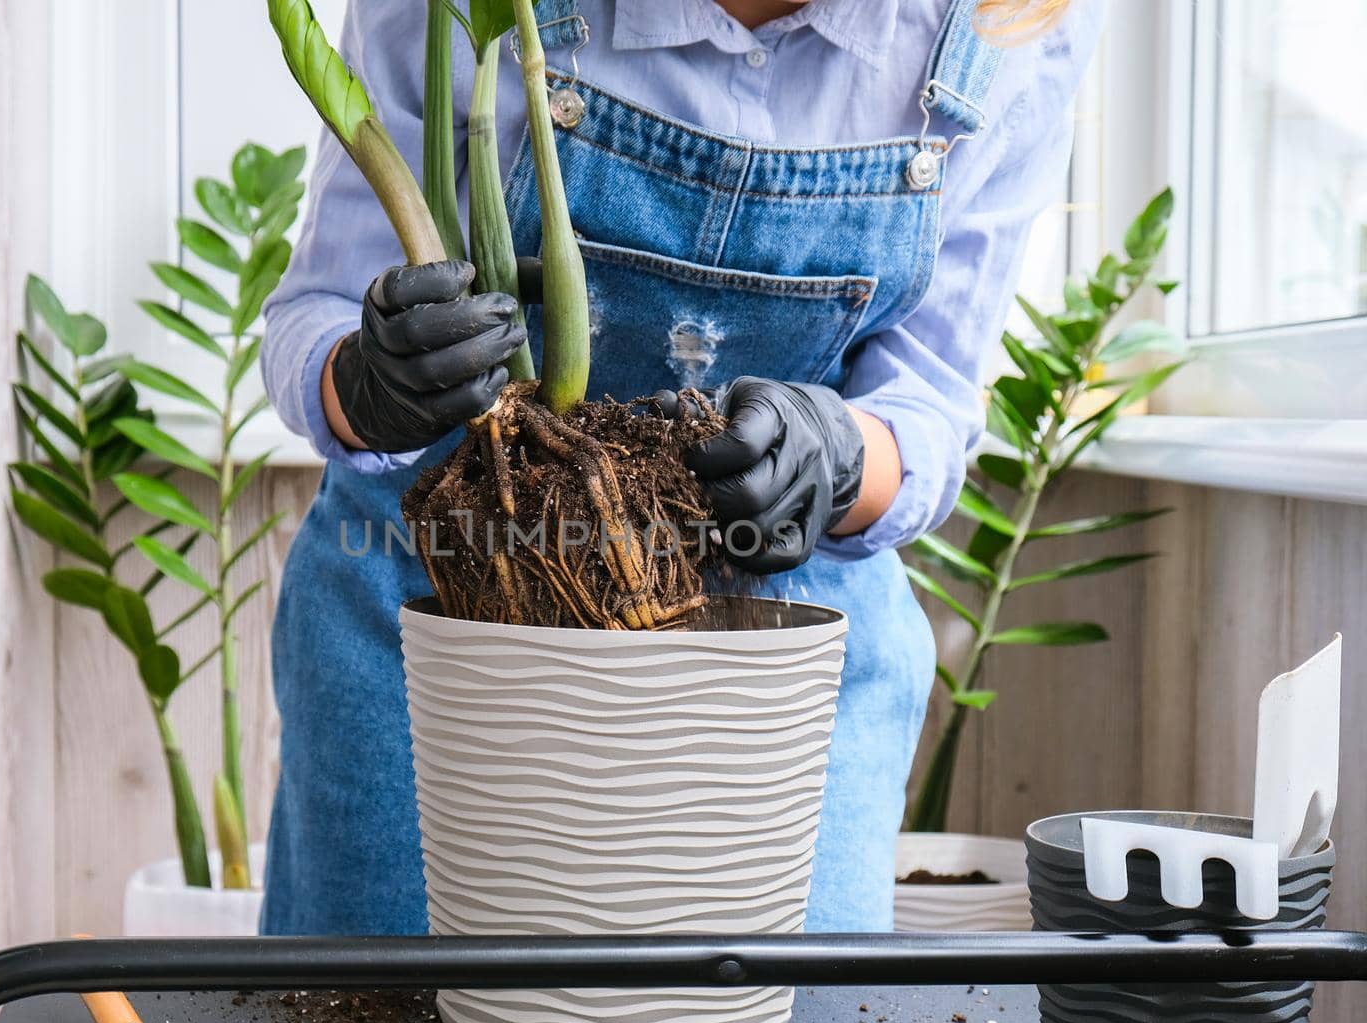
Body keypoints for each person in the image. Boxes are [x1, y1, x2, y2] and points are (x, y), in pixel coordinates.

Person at [259, 0, 1100, 936]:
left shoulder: (1017, 19)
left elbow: (932, 392)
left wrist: (840, 456)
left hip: (775, 658)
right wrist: (370, 382)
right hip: (436, 625)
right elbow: (319, 313)